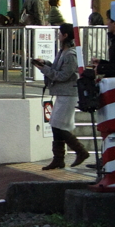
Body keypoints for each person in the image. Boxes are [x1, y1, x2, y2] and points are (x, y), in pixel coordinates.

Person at [32, 23, 89, 170]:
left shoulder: (71, 54)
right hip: (62, 93)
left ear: (65, 36)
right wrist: (46, 63)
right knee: (56, 125)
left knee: (58, 125)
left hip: (69, 93)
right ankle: (59, 159)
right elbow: (58, 68)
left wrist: (43, 69)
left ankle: (80, 151)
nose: (58, 36)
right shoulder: (63, 52)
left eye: (60, 33)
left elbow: (63, 75)